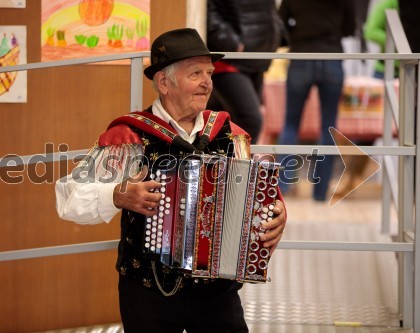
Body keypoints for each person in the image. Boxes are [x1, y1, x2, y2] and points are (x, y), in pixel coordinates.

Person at [55, 28, 287, 333]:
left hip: (217, 294)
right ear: (164, 83)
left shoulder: (230, 136)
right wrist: (117, 195)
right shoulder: (129, 138)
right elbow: (69, 199)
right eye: (195, 73)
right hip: (148, 292)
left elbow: (257, 203)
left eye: (209, 72)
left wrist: (275, 216)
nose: (207, 82)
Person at [277, 0, 356, 201]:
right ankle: (320, 193)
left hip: (301, 56)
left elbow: (280, 25)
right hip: (331, 56)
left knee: (290, 123)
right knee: (328, 127)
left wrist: (299, 31)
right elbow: (349, 27)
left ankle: (282, 189)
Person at [206, 0, 283, 144]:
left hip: (257, 58)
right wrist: (230, 41)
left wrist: (278, 32)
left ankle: (222, 165)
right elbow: (210, 10)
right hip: (230, 59)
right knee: (250, 121)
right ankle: (240, 167)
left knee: (217, 122)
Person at [364, 0, 400, 79]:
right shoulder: (389, 3)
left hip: (412, 69)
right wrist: (399, 42)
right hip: (385, 70)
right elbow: (370, 31)